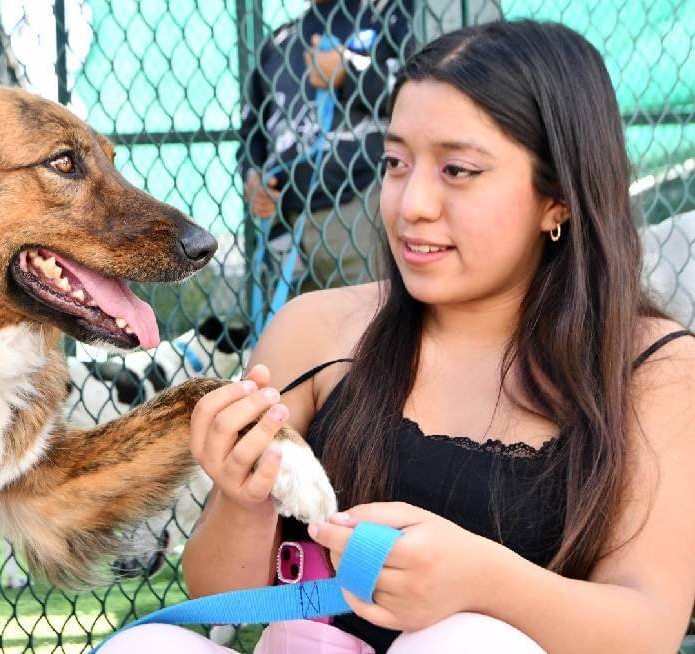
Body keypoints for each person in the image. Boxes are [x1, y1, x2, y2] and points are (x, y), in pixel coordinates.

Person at [101, 19, 695, 653]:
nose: (411, 203)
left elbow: (648, 628)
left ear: (559, 199)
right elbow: (220, 590)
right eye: (395, 162)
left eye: (458, 170)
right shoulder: (315, 330)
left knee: (464, 641)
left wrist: (480, 582)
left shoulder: (655, 367)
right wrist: (242, 502)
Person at [240, 0, 413, 293]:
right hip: (288, 218)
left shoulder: (388, 15)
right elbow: (251, 131)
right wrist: (253, 176)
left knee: (373, 322)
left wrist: (349, 72)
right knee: (298, 331)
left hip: (362, 205)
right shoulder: (279, 41)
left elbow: (420, 92)